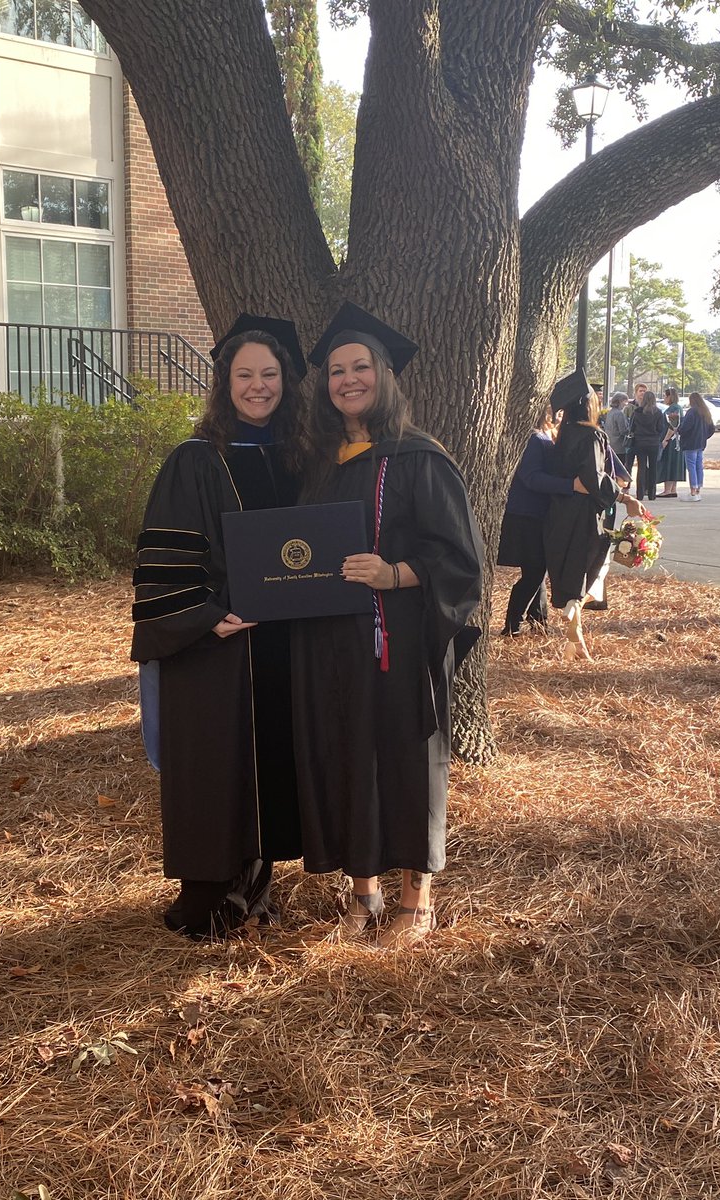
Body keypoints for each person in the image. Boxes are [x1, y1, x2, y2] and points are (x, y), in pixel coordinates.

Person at [290, 303, 484, 949]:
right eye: (337, 370)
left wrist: (395, 573)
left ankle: (415, 900)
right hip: (333, 642)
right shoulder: (320, 462)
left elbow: (462, 562)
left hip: (397, 639)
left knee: (405, 759)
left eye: (360, 366)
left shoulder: (419, 458)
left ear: (385, 375)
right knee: (348, 753)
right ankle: (363, 891)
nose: (347, 379)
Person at [130, 314, 308, 940]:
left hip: (282, 644)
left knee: (270, 760)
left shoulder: (296, 459)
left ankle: (257, 887)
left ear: (286, 382)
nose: (258, 386)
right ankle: (208, 897)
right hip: (218, 644)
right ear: (223, 383)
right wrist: (208, 617)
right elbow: (165, 561)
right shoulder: (195, 460)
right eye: (244, 375)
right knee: (216, 760)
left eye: (269, 374)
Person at [544, 368, 645, 661]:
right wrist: (624, 497)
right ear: (587, 404)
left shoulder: (563, 435)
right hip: (583, 515)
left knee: (572, 570)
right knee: (593, 567)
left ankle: (574, 641)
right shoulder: (591, 436)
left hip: (559, 511)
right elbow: (594, 477)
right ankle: (573, 612)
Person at [497, 408, 584, 636]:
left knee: (537, 569)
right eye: (556, 413)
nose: (559, 417)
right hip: (526, 515)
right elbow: (531, 477)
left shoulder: (543, 437)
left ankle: (538, 619)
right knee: (535, 571)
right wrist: (569, 486)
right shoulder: (535, 439)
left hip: (534, 513)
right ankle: (512, 625)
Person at [627, 389, 668, 501]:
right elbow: (660, 428)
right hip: (653, 442)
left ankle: (640, 494)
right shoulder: (658, 412)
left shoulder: (637, 412)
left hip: (640, 442)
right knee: (653, 467)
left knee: (641, 468)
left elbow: (632, 428)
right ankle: (652, 493)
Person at [678, 391, 715, 502]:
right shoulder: (705, 412)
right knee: (699, 465)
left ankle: (693, 491)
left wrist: (679, 430)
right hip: (700, 443)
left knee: (692, 467)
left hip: (690, 443)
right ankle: (698, 489)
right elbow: (711, 429)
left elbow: (685, 428)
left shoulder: (692, 412)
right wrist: (704, 437)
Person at [656, 386, 686, 497]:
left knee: (668, 462)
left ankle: (667, 489)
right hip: (676, 441)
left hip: (671, 440)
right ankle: (673, 489)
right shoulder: (678, 407)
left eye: (665, 396)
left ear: (670, 396)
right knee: (674, 463)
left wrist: (665, 440)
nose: (664, 398)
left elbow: (673, 426)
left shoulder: (673, 409)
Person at [602, 392, 629, 461]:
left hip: (611, 444)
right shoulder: (619, 414)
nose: (626, 404)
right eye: (625, 401)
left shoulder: (610, 412)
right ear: (620, 401)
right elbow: (623, 431)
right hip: (619, 446)